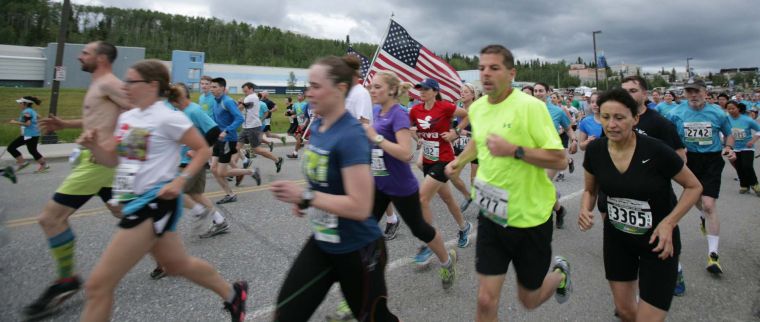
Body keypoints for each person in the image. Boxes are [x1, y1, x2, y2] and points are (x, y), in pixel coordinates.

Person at [74, 59, 247, 322]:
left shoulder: (168, 117)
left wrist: (181, 180)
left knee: (97, 286)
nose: (125, 85)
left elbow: (202, 149)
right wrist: (95, 148)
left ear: (152, 85)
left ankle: (233, 295)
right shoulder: (131, 117)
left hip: (153, 204)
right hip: (135, 201)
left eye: (131, 81)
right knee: (178, 265)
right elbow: (122, 159)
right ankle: (234, 295)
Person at [446, 44, 571, 321]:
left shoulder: (531, 108)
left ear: (511, 73)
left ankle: (560, 273)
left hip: (530, 220)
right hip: (492, 215)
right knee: (485, 299)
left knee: (529, 299)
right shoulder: (477, 108)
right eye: (481, 69)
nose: (486, 74)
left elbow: (559, 159)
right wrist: (460, 161)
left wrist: (514, 150)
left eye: (494, 68)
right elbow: (480, 140)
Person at [270, 56, 398, 321]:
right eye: (308, 85)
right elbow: (324, 178)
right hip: (323, 241)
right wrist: (306, 199)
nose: (308, 92)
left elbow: (361, 206)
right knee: (286, 314)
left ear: (340, 89)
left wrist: (307, 196)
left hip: (358, 250)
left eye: (316, 86)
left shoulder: (351, 134)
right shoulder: (318, 125)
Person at [23, 41, 131, 320]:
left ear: (102, 58)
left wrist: (120, 149)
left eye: (85, 52)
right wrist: (65, 125)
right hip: (90, 158)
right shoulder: (99, 85)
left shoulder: (110, 84)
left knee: (50, 218)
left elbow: (141, 113)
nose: (79, 55)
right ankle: (164, 252)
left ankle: (66, 279)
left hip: (99, 162)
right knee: (125, 214)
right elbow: (97, 119)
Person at [579, 88, 702, 322]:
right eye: (606, 117)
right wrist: (585, 208)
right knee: (625, 312)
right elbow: (590, 189)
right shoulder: (595, 150)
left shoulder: (656, 150)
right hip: (617, 240)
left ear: (635, 119)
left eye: (619, 117)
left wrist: (669, 223)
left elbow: (694, 187)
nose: (612, 124)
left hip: (657, 242)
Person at [366, 70, 457, 288]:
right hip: (380, 182)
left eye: (377, 86)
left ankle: (446, 261)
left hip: (400, 186)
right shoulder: (378, 111)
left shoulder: (398, 114)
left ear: (391, 90)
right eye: (371, 86)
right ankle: (365, 282)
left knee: (421, 230)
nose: (372, 90)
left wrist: (375, 137)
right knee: (364, 227)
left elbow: (406, 153)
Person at [667, 78, 736, 276]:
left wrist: (729, 147)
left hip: (712, 160)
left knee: (709, 204)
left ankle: (713, 255)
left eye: (696, 91)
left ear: (705, 92)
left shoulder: (718, 113)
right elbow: (668, 135)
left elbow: (729, 134)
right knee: (698, 201)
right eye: (689, 91)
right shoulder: (675, 113)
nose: (693, 95)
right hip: (689, 161)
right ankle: (703, 217)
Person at [409, 78, 473, 261]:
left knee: (422, 199)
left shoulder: (445, 107)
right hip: (429, 160)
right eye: (419, 88)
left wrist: (456, 132)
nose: (421, 91)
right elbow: (412, 128)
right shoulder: (415, 110)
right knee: (447, 198)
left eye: (426, 89)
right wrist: (418, 139)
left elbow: (468, 115)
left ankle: (430, 241)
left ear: (435, 91)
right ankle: (464, 227)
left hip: (443, 159)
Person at [208, 77, 261, 206]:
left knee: (222, 172)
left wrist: (226, 131)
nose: (211, 89)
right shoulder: (215, 101)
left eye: (214, 87)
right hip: (218, 139)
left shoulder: (227, 101)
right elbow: (216, 119)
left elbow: (239, 119)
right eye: (211, 87)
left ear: (222, 88)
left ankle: (252, 172)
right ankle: (230, 194)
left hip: (228, 139)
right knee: (213, 169)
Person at [238, 82, 284, 174]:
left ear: (251, 89)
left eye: (246, 91)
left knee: (257, 150)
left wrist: (240, 102)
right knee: (236, 147)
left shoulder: (251, 97)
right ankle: (245, 161)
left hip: (253, 127)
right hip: (246, 126)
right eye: (243, 91)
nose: (245, 93)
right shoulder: (251, 97)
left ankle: (277, 160)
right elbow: (242, 108)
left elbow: (239, 108)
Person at [450, 83, 480, 212]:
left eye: (466, 91)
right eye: (461, 91)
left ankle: (481, 209)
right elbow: (454, 128)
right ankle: (467, 196)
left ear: (473, 95)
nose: (462, 93)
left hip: (475, 148)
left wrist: (467, 133)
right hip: (460, 146)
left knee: (474, 180)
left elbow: (483, 133)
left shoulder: (478, 109)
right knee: (452, 173)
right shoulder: (459, 108)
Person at [6, 96, 48, 173]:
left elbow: (27, 124)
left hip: (28, 135)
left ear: (25, 104)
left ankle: (22, 163)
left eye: (21, 103)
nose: (19, 104)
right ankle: (44, 165)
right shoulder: (31, 110)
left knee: (11, 148)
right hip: (35, 134)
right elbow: (40, 118)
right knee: (32, 150)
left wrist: (15, 122)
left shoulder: (26, 112)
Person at [726, 101, 760, 195]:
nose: (731, 110)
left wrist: (752, 141)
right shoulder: (726, 119)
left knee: (747, 166)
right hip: (734, 147)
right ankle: (744, 185)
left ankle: (755, 184)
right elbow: (723, 131)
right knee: (739, 167)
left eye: (733, 108)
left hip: (747, 147)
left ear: (738, 108)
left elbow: (759, 130)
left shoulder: (747, 120)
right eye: (729, 109)